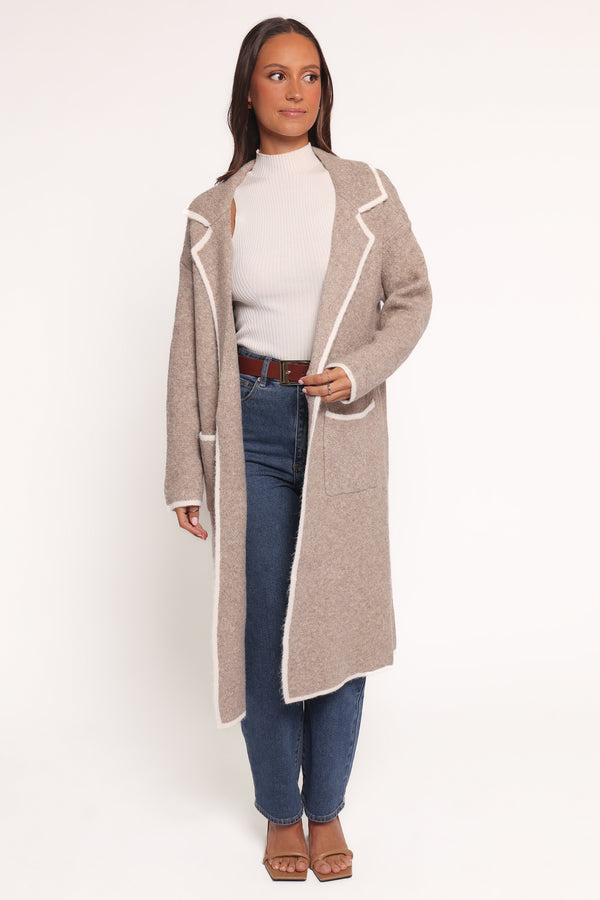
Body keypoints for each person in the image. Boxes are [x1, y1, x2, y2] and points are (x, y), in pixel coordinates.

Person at [164, 17, 432, 882]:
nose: (295, 90)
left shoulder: (365, 190)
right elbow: (189, 346)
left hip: (338, 425)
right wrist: (185, 471)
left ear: (325, 90)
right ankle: (282, 809)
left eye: (310, 74)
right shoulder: (214, 211)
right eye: (276, 74)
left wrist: (360, 370)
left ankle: (329, 808)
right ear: (248, 91)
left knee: (338, 619)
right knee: (262, 624)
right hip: (249, 425)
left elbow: (412, 297)